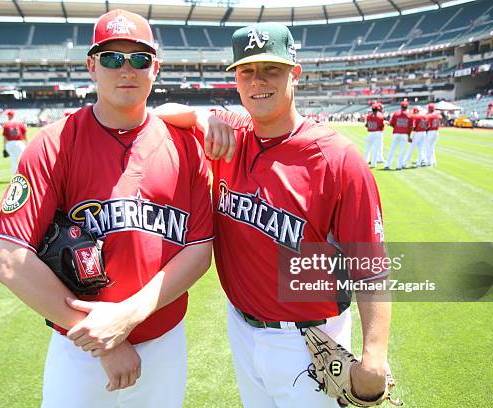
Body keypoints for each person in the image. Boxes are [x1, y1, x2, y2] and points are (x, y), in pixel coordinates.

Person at [154, 22, 392, 408]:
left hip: (311, 341)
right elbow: (162, 110)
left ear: (295, 73)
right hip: (242, 329)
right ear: (235, 79)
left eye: (271, 69)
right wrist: (203, 117)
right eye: (246, 71)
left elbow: (371, 264)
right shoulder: (231, 132)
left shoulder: (337, 158)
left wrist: (375, 355)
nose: (257, 81)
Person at [0, 9, 213, 408]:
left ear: (155, 68)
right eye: (112, 58)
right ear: (92, 66)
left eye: (139, 59)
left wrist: (126, 316)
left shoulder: (185, 146)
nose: (126, 69)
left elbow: (198, 249)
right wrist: (104, 341)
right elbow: (11, 263)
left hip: (163, 340)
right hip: (82, 349)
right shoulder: (54, 144)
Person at [384, 101, 412, 170]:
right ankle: (399, 166)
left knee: (392, 150)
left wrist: (397, 128)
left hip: (396, 133)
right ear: (407, 107)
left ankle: (387, 165)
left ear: (401, 106)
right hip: (404, 134)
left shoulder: (396, 114)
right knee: (402, 151)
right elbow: (410, 127)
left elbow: (391, 123)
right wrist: (408, 136)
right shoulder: (409, 115)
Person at [1, 109, 28, 174]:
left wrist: (4, 147)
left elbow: (5, 137)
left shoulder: (6, 125)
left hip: (10, 143)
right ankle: (24, 173)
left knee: (13, 160)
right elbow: (24, 135)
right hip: (19, 143)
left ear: (10, 116)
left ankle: (15, 175)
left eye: (8, 115)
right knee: (22, 159)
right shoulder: (20, 123)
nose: (8, 116)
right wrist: (27, 143)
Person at [364, 102, 385, 168]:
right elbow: (382, 126)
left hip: (370, 133)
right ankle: (373, 163)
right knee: (376, 149)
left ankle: (365, 161)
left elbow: (366, 125)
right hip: (377, 133)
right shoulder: (380, 116)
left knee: (367, 148)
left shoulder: (368, 116)